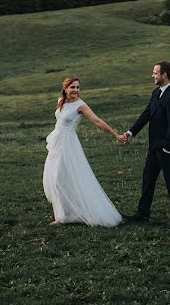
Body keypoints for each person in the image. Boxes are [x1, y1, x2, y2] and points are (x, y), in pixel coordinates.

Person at [43, 76, 124, 227]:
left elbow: (97, 121)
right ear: (65, 88)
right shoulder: (61, 101)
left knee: (59, 177)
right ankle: (63, 215)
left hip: (68, 144)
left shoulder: (81, 106)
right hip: (56, 142)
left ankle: (65, 216)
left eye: (78, 87)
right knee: (54, 178)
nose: (76, 90)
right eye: (72, 87)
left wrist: (116, 135)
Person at [120, 61, 170, 224]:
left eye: (155, 73)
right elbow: (146, 115)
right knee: (148, 179)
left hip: (166, 148)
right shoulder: (156, 93)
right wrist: (131, 132)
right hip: (154, 147)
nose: (153, 75)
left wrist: (166, 147)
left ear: (164, 75)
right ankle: (142, 214)